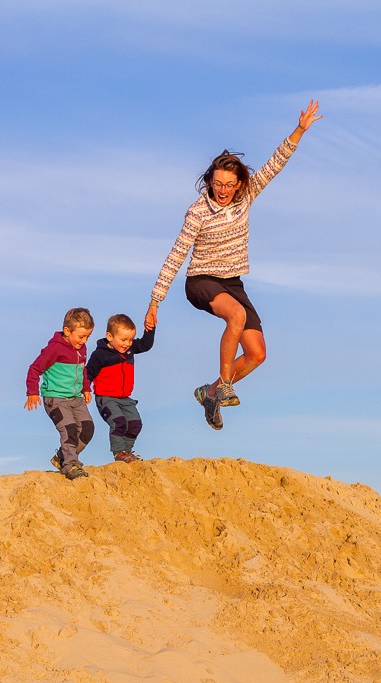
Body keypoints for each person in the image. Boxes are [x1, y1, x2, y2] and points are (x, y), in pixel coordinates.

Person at [144, 99, 323, 430]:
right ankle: (225, 384)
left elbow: (275, 164)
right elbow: (177, 253)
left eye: (229, 184)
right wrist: (156, 300)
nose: (223, 190)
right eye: (217, 183)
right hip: (201, 280)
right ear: (209, 180)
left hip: (232, 282)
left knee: (257, 354)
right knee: (236, 316)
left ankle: (210, 392)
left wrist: (299, 130)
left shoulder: (246, 196)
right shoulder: (197, 211)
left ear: (239, 183)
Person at [24, 307, 95, 480]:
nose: (84, 340)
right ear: (67, 331)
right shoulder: (55, 349)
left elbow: (82, 370)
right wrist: (32, 392)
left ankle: (62, 457)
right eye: (80, 336)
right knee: (69, 430)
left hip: (76, 399)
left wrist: (86, 388)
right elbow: (34, 369)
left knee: (87, 429)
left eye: (87, 337)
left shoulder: (81, 349)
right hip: (55, 399)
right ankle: (70, 465)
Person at [85, 313, 156, 463]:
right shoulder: (100, 354)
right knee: (119, 422)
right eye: (123, 340)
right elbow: (89, 372)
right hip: (106, 398)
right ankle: (119, 453)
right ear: (110, 336)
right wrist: (85, 389)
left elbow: (145, 345)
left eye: (130, 339)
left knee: (135, 424)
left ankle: (127, 453)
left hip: (125, 399)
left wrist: (150, 329)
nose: (127, 343)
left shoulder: (129, 349)